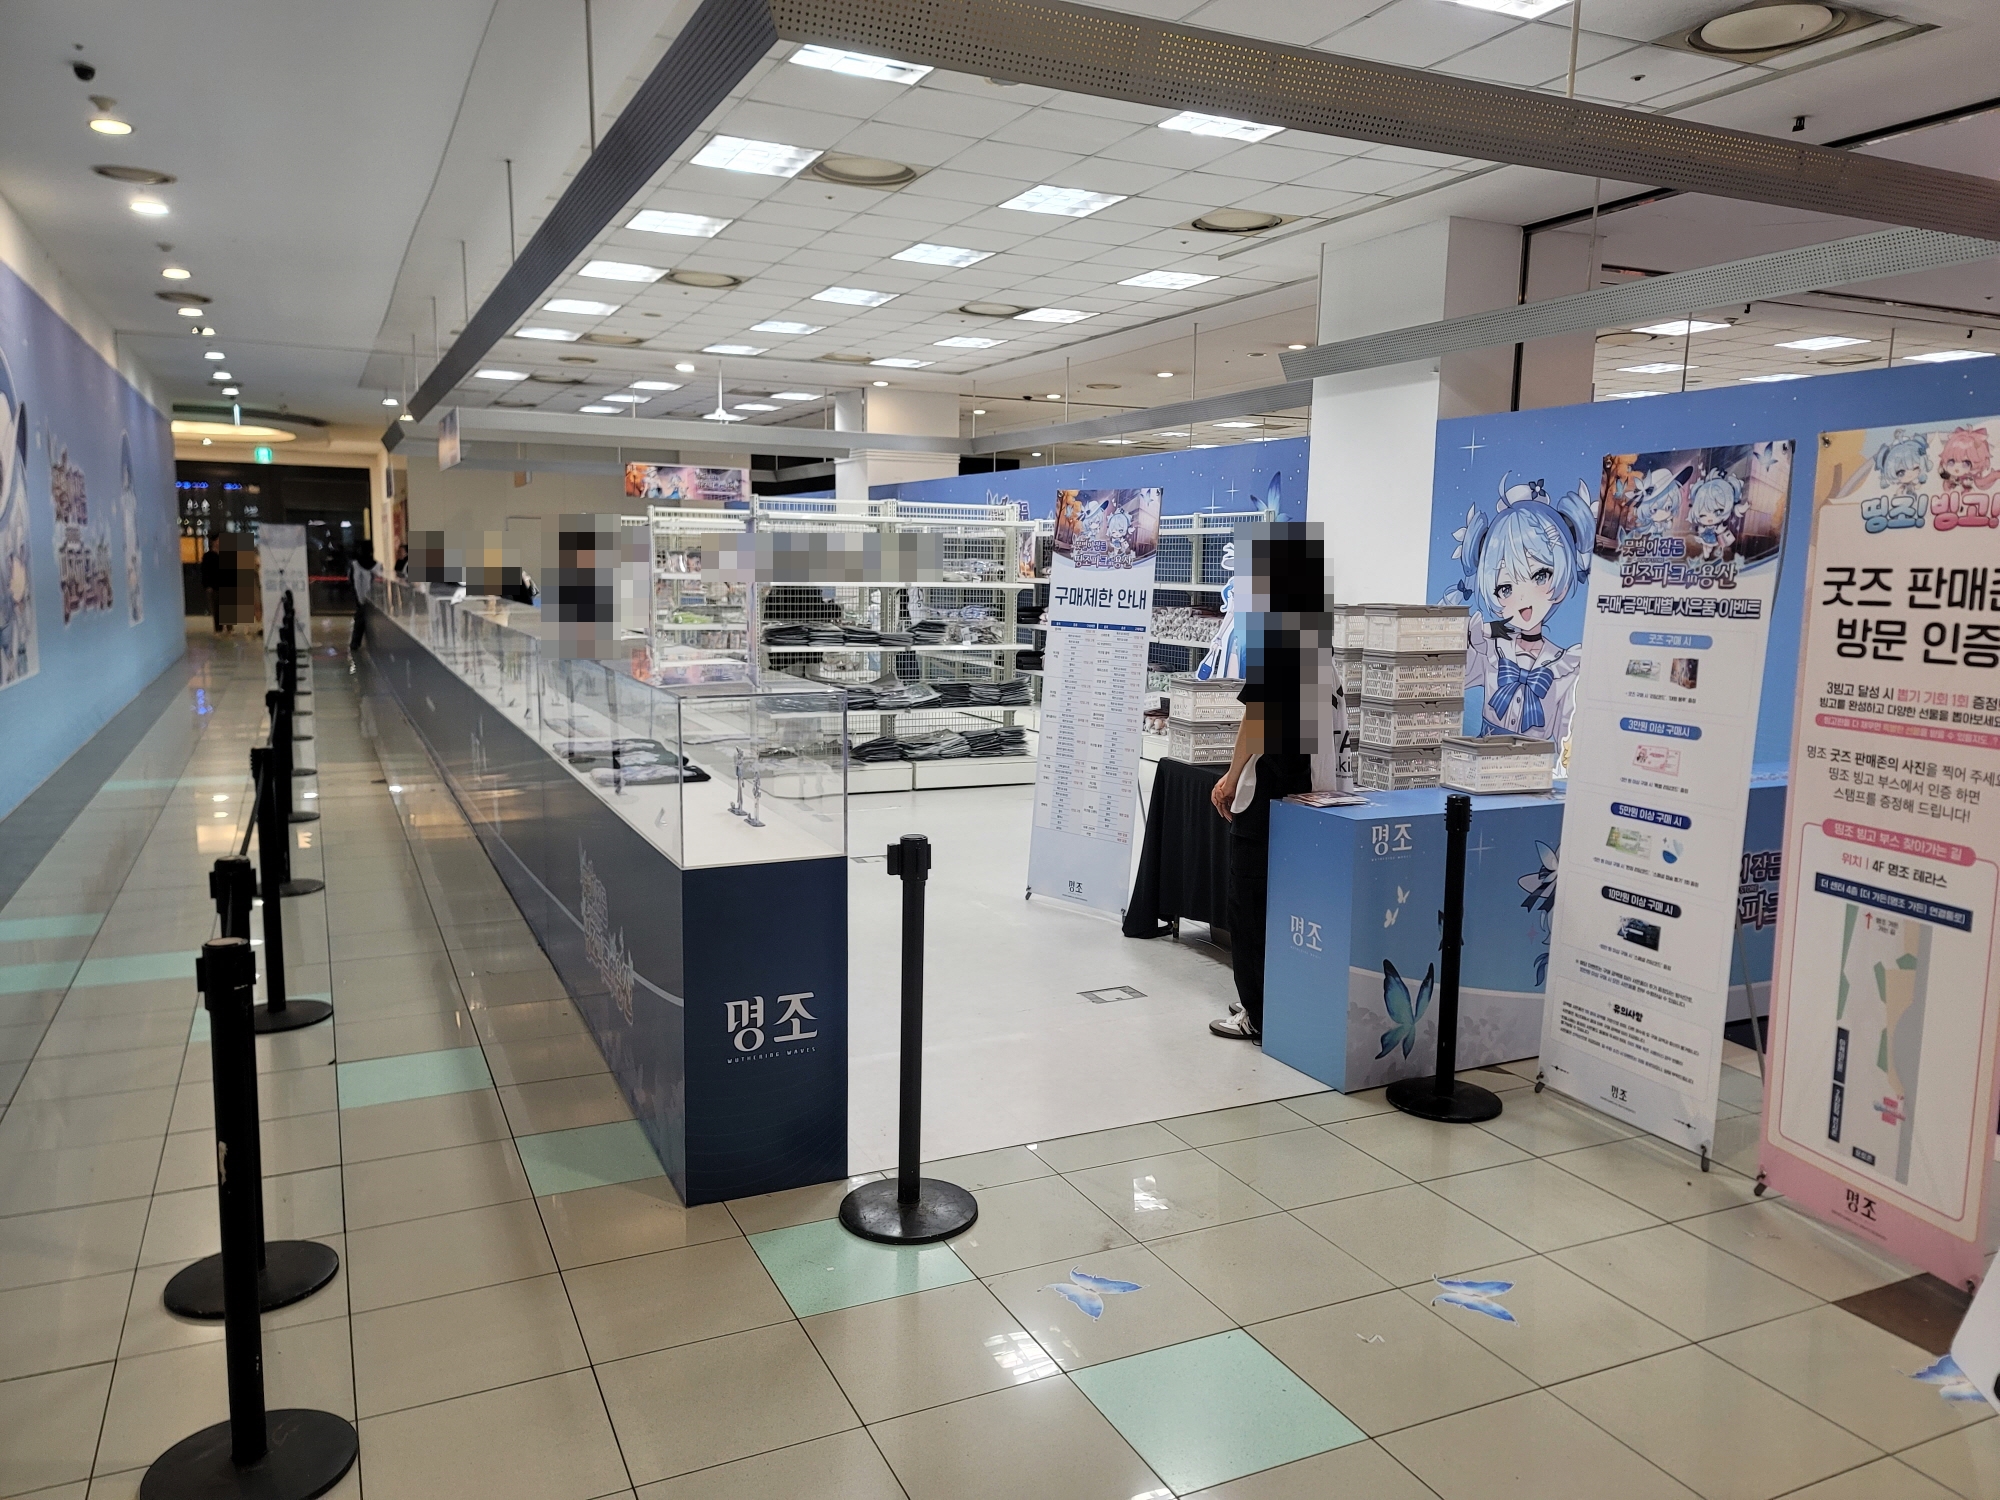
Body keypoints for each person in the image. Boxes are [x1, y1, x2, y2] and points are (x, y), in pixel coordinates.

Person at [1207, 523, 1343, 1042]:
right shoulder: (1316, 637)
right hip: (1305, 788)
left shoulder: (1279, 633)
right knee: (1283, 901)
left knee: (1249, 904)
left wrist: (1230, 776)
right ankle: (1278, 1000)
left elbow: (1258, 718)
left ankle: (1257, 1011)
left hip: (1267, 790)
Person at [348, 539, 376, 651]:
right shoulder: (375, 565)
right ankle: (357, 642)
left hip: (360, 598)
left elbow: (353, 581)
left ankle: (355, 642)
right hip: (371, 598)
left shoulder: (355, 565)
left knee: (360, 619)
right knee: (363, 619)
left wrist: (358, 598)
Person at [198, 534, 229, 633]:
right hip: (214, 586)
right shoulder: (208, 556)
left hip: (226, 584)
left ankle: (229, 628)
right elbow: (205, 571)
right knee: (217, 608)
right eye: (218, 540)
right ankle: (218, 629)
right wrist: (207, 585)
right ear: (214, 542)